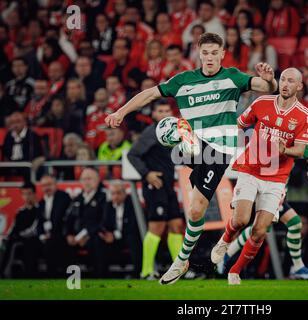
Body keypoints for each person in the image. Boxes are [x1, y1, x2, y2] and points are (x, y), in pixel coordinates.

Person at [105, 32, 277, 285]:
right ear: (199, 53)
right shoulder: (183, 81)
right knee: (195, 210)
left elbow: (266, 88)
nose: (209, 57)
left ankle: (180, 260)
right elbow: (149, 95)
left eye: (213, 53)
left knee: (196, 202)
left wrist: (270, 81)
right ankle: (183, 260)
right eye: (205, 53)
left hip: (217, 150)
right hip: (195, 150)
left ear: (222, 54)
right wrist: (120, 111)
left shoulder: (232, 77)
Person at [210, 68, 308, 285]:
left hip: (276, 178)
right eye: (282, 79)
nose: (285, 84)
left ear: (299, 86)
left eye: (291, 81)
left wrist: (285, 149)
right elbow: (240, 124)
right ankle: (224, 241)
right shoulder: (262, 102)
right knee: (241, 220)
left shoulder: (304, 114)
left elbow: (302, 151)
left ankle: (234, 271)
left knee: (259, 231)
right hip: (250, 169)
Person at [219, 145, 308, 280]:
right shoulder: (269, 137)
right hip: (264, 188)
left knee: (262, 228)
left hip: (278, 191)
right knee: (291, 223)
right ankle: (298, 266)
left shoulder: (300, 144)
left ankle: (226, 256)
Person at [127, 99, 185, 280]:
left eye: (167, 110)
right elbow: (132, 154)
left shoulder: (172, 131)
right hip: (155, 186)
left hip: (168, 185)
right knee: (157, 227)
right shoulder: (151, 132)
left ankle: (178, 271)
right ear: (153, 114)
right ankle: (146, 271)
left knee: (176, 225)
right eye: (160, 111)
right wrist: (147, 174)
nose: (164, 114)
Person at [64, 167, 108, 277]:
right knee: (61, 242)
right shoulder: (77, 199)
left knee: (98, 242)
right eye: (84, 179)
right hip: (77, 236)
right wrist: (68, 234)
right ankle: (71, 281)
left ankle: (98, 279)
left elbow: (104, 221)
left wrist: (87, 235)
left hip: (93, 235)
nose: (86, 182)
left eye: (89, 178)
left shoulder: (104, 197)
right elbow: (68, 219)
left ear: (97, 180)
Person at [99, 181, 142, 279]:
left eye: (118, 193)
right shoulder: (108, 205)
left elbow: (133, 226)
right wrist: (106, 234)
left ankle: (137, 274)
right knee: (99, 242)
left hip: (129, 237)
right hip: (114, 239)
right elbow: (103, 223)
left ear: (124, 193)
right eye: (113, 193)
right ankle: (101, 275)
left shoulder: (132, 203)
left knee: (134, 240)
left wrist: (115, 235)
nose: (115, 196)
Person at [0, 182, 41, 278]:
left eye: (29, 194)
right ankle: (3, 273)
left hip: (32, 239)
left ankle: (25, 274)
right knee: (5, 242)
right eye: (24, 194)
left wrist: (19, 235)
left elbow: (34, 229)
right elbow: (13, 228)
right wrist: (6, 236)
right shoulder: (20, 211)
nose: (26, 197)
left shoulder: (39, 210)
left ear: (34, 194)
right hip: (17, 239)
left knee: (27, 244)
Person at [37, 175, 72, 277]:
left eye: (49, 185)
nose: (46, 188)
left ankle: (58, 277)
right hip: (46, 237)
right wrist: (42, 235)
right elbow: (39, 222)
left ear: (55, 185)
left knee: (54, 244)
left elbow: (65, 220)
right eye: (44, 185)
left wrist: (52, 234)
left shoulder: (63, 197)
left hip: (61, 235)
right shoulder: (41, 202)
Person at [1, 111, 45, 180]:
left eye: (18, 122)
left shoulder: (32, 135)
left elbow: (38, 153)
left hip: (26, 165)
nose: (15, 125)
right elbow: (6, 152)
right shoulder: (9, 136)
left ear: (24, 122)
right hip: (11, 165)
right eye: (12, 123)